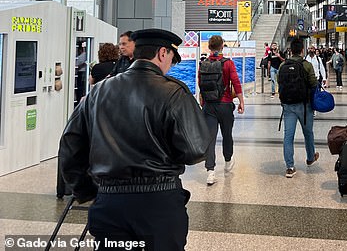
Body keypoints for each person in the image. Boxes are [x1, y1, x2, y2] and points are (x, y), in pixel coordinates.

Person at [59, 29, 211, 250]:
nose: (170, 65)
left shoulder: (98, 91)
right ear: (162, 53)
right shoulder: (173, 92)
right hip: (158, 201)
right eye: (171, 58)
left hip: (109, 202)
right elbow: (195, 149)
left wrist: (86, 190)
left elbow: (70, 144)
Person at [199, 35, 245, 186]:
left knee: (210, 138)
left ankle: (210, 172)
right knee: (227, 135)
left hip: (209, 106)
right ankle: (227, 160)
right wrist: (241, 101)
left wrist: (203, 100)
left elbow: (200, 84)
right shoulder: (228, 63)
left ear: (209, 48)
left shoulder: (204, 63)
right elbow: (236, 83)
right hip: (225, 105)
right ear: (222, 47)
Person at [279, 38, 319, 178]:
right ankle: (310, 157)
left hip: (288, 106)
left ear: (291, 51)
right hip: (304, 105)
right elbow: (314, 83)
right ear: (302, 50)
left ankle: (290, 167)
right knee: (308, 133)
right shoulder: (306, 65)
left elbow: (280, 83)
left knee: (288, 136)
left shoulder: (283, 65)